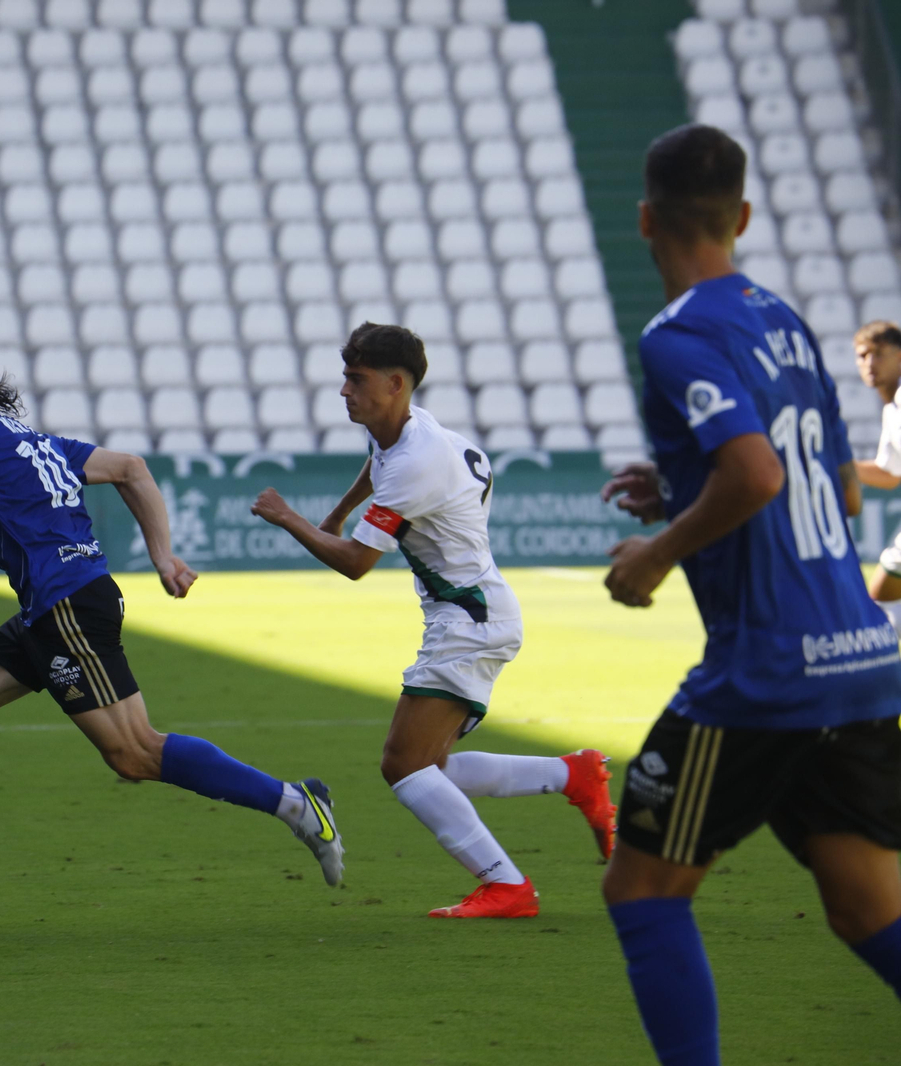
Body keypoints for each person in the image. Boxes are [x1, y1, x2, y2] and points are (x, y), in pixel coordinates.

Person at [0, 348, 344, 912]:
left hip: (68, 608)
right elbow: (130, 467)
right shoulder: (20, 436)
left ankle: (296, 804)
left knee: (135, 753)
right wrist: (163, 556)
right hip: (55, 604)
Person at [599, 124, 901, 1066]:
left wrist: (655, 552)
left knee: (643, 892)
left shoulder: (676, 335)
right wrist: (685, 482)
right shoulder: (784, 320)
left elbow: (761, 476)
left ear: (645, 218)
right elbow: (837, 486)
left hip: (767, 670)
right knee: (865, 908)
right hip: (861, 657)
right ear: (744, 216)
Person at [249, 321, 618, 919]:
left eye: (356, 379)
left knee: (403, 764)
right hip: (473, 612)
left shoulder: (418, 461)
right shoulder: (402, 432)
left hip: (468, 621)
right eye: (345, 376)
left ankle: (507, 886)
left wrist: (290, 519)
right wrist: (337, 513)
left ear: (396, 384)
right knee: (433, 766)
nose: (344, 390)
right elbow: (377, 467)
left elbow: (356, 565)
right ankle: (573, 774)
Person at [850, 320, 901, 632]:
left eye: (879, 354)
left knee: (876, 612)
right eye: (863, 355)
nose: (870, 363)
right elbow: (889, 473)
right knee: (879, 603)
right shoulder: (892, 410)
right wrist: (836, 462)